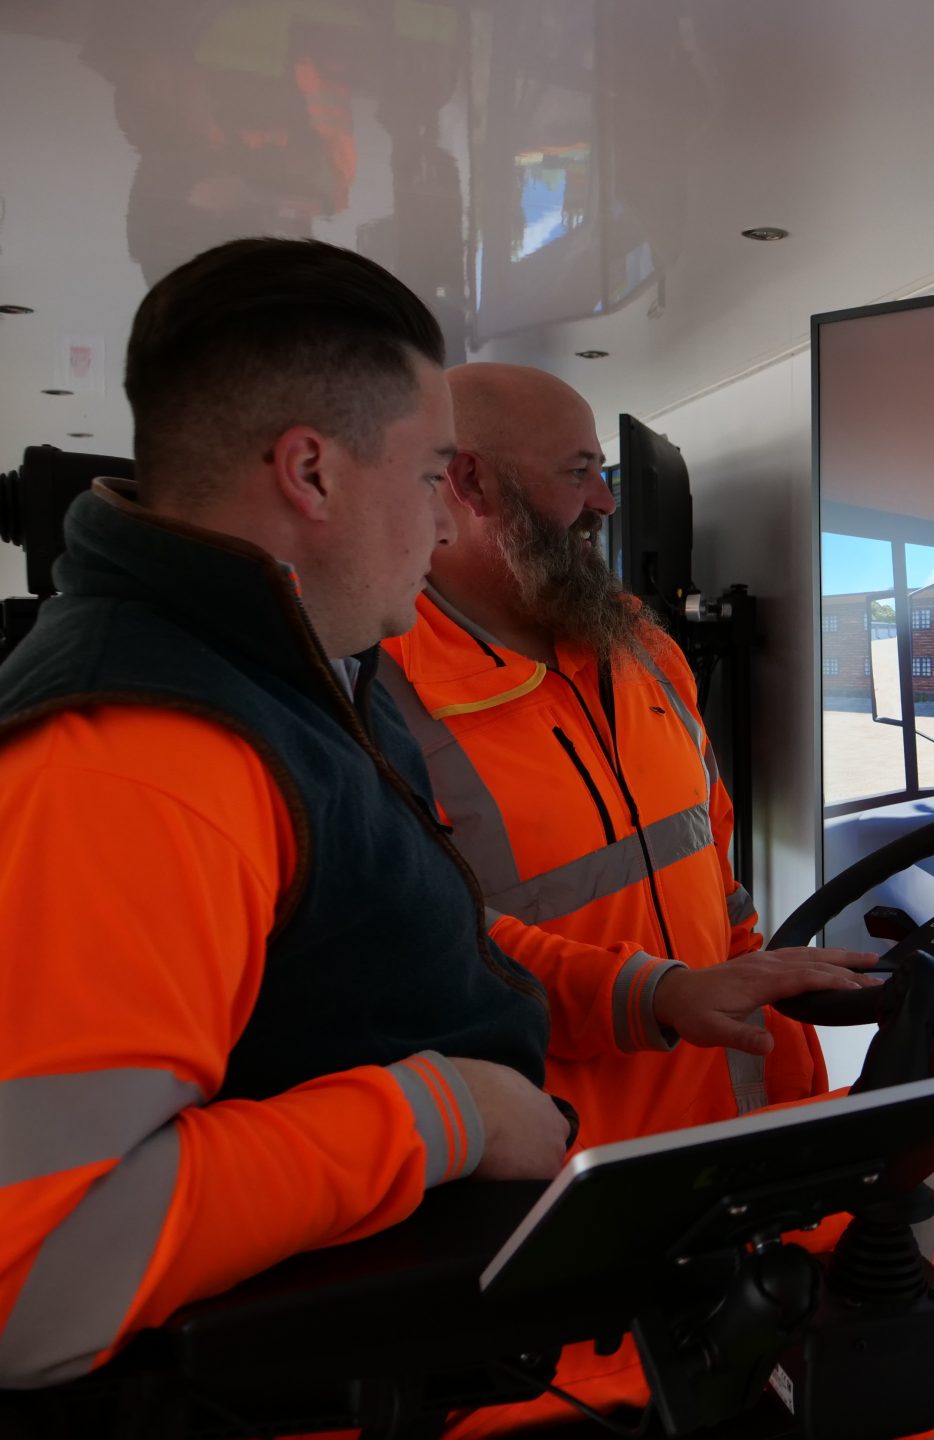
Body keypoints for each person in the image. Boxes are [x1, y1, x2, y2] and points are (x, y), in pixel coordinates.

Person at [380, 362, 934, 1439]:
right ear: (472, 486)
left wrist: (779, 1019)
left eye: (604, 472)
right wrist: (660, 994)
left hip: (737, 1143)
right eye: (578, 473)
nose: (605, 501)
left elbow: (713, 858)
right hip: (569, 1195)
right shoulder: (381, 698)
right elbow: (429, 953)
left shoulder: (641, 646)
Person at [0, 239, 575, 1391]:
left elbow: (372, 936)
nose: (443, 526)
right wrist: (445, 1114)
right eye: (430, 476)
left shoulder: (294, 663)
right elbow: (35, 1279)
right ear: (311, 473)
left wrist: (641, 992)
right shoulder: (144, 757)